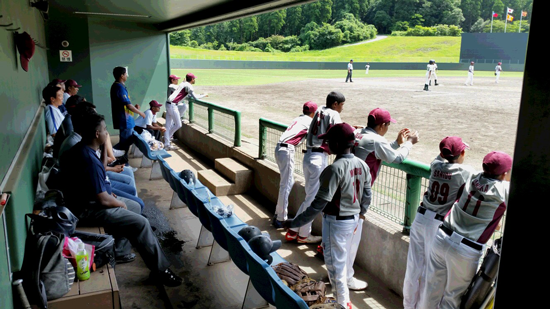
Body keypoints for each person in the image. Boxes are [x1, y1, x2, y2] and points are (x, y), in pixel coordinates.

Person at [59, 112, 182, 287]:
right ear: (96, 134)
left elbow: (100, 170)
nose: (106, 133)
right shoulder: (86, 157)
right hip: (87, 210)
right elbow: (102, 199)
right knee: (140, 222)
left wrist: (102, 151)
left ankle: (124, 248)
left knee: (136, 207)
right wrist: (118, 203)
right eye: (104, 130)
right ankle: (161, 271)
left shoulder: (84, 148)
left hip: (88, 202)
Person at [284, 123, 372, 309]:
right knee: (342, 262)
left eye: (329, 140)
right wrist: (361, 214)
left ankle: (343, 304)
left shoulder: (334, 169)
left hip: (336, 222)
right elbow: (367, 195)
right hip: (353, 219)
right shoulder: (362, 164)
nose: (326, 143)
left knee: (336, 268)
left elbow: (318, 204)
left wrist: (296, 222)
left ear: (338, 144)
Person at [420, 151, 511, 309]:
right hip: (465, 250)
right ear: (503, 174)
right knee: (452, 298)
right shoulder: (504, 189)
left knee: (430, 290)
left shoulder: (472, 175)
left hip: (441, 237)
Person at [346, 108, 419, 289]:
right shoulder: (377, 140)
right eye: (387, 125)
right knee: (351, 236)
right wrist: (409, 143)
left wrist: (395, 143)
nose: (387, 128)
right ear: (381, 125)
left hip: (345, 187)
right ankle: (345, 277)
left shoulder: (360, 134)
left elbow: (380, 152)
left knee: (343, 234)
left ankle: (341, 272)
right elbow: (398, 159)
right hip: (357, 193)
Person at [402, 136, 476, 309]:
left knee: (413, 268)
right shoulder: (465, 171)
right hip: (436, 225)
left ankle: (408, 306)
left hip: (420, 219)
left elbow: (440, 158)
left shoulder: (436, 165)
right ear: (462, 152)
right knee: (430, 273)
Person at [285, 91, 345, 244]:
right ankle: (303, 235)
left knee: (310, 197)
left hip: (308, 157)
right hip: (319, 158)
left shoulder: (318, 110)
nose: (342, 108)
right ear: (335, 104)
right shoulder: (333, 113)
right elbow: (340, 133)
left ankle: (294, 231)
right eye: (341, 105)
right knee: (313, 199)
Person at [272, 101, 318, 228]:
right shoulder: (309, 121)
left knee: (288, 182)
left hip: (280, 149)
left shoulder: (298, 119)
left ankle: (278, 213)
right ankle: (280, 218)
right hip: (287, 150)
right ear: (313, 113)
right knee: (286, 184)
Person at [110, 66, 146, 159]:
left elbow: (126, 104)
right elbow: (128, 105)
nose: (127, 76)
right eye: (126, 74)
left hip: (127, 119)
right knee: (124, 143)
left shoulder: (119, 86)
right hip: (124, 120)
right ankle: (113, 156)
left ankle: (111, 154)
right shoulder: (118, 87)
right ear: (122, 75)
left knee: (128, 141)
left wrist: (134, 108)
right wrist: (140, 113)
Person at [165, 73, 208, 150]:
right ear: (192, 79)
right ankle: (167, 138)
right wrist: (204, 95)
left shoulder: (183, 84)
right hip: (173, 105)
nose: (194, 80)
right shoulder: (188, 85)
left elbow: (186, 93)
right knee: (178, 125)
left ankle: (166, 144)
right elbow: (195, 98)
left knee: (168, 126)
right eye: (194, 79)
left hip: (168, 104)